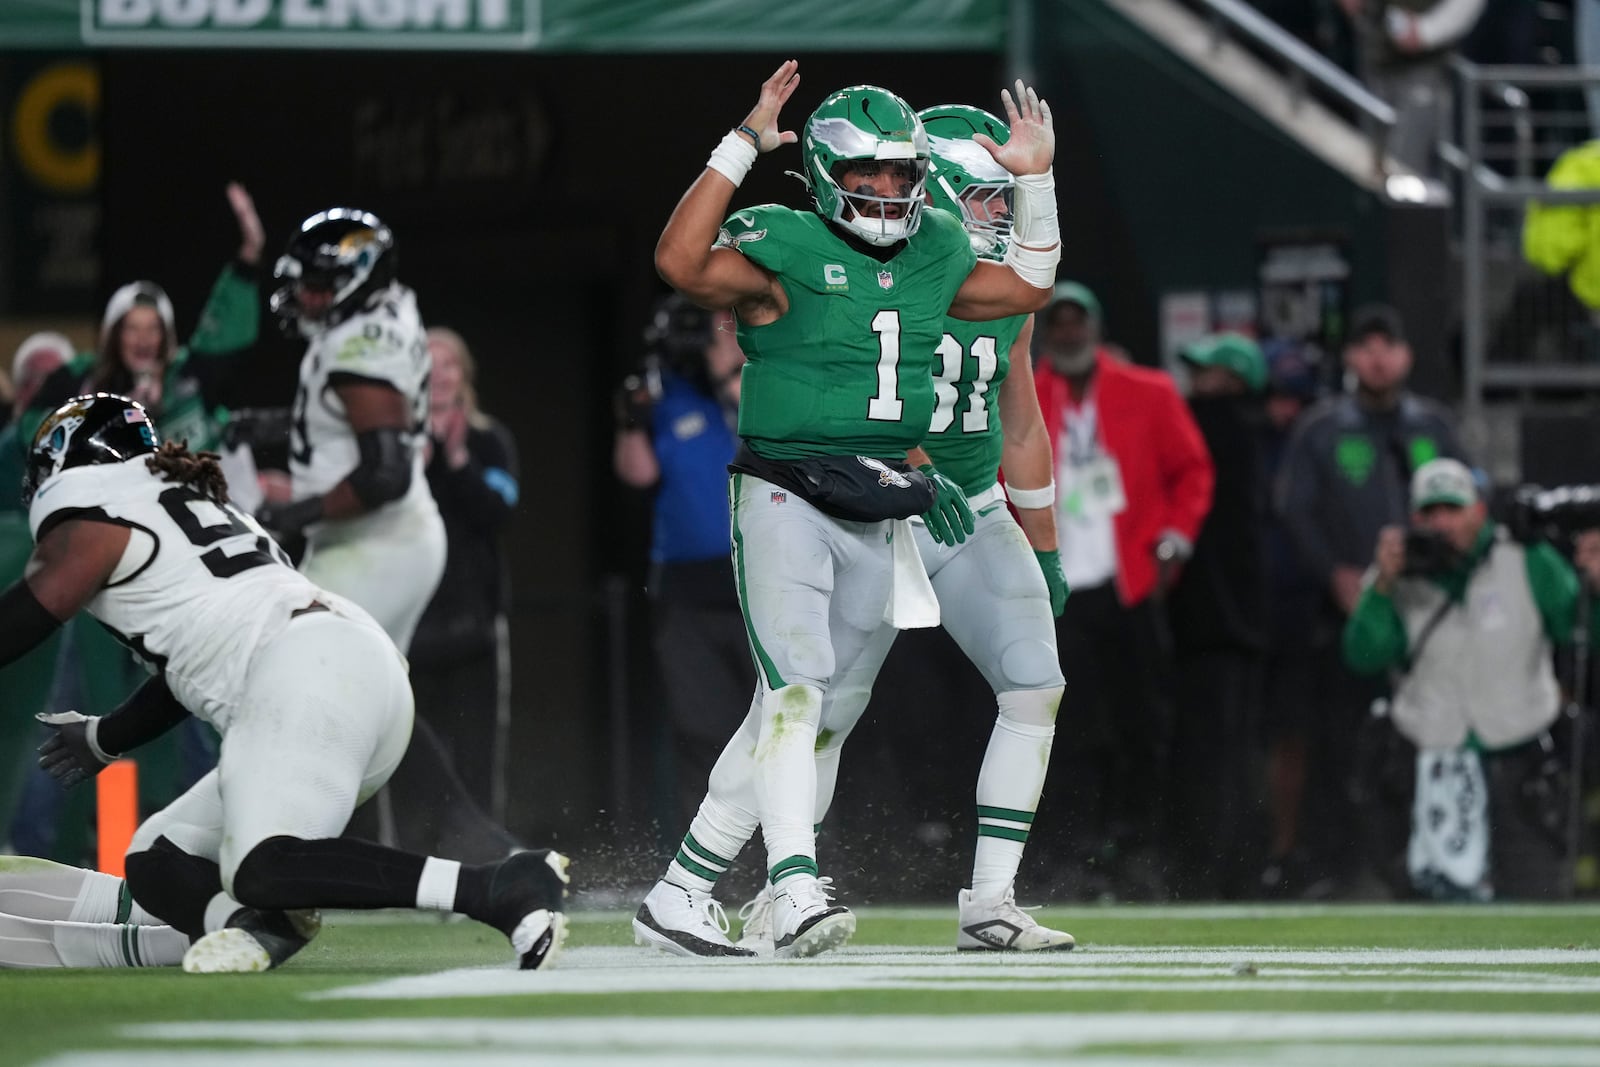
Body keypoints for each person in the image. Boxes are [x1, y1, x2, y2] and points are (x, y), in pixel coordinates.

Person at [632, 62, 1062, 960]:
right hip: (802, 484)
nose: (884, 191)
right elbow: (680, 262)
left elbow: (1025, 295)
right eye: (867, 174)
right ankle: (786, 887)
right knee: (800, 696)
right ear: (830, 176)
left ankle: (686, 886)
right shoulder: (788, 238)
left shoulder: (938, 252)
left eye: (898, 174)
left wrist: (1035, 182)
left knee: (823, 701)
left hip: (898, 500)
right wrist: (743, 140)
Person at [0, 394, 569, 972]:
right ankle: (254, 928)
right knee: (156, 857)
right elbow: (193, 665)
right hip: (352, 666)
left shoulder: (95, 511)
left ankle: (492, 886)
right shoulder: (183, 503)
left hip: (303, 671)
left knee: (260, 865)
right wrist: (104, 737)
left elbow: (29, 614)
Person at [232, 210, 519, 863]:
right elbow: (342, 419)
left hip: (375, 540)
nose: (304, 295)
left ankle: (306, 845)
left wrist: (294, 511)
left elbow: (384, 472)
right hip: (380, 538)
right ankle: (465, 840)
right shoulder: (377, 320)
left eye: (318, 281)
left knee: (306, 680)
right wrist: (271, 429)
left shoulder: (359, 343)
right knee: (369, 696)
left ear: (357, 280)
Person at [10, 184, 266, 859]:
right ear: (116, 335)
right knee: (78, 710)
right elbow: (33, 425)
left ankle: (219, 838)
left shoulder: (189, 381)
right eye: (134, 329)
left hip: (176, 580)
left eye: (154, 331)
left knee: (191, 703)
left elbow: (224, 333)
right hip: (114, 573)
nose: (145, 341)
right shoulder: (82, 388)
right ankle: (40, 846)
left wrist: (246, 260)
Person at [1275, 302, 1469, 895]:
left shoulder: (1431, 428)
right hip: (1347, 614)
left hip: (1430, 615)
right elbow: (1294, 508)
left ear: (1406, 356)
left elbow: (1468, 503)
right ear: (1352, 358)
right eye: (1367, 346)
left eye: (1389, 345)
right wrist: (1334, 573)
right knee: (1341, 742)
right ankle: (1340, 867)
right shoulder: (1323, 429)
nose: (1378, 357)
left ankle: (1431, 858)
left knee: (1431, 734)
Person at [1343, 458, 1600, 899]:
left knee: (1532, 905)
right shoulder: (1401, 573)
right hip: (1428, 768)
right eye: (1429, 512)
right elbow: (1364, 656)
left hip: (1518, 766)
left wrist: (1596, 588)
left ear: (1478, 511)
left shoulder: (1528, 558)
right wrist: (1382, 587)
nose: (1441, 522)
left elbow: (1581, 634)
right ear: (1413, 518)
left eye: (1452, 509)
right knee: (1426, 918)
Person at [1031, 282, 1214, 901]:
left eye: (1077, 324)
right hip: (1057, 589)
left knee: (1142, 727)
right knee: (1068, 732)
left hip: (1128, 584)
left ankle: (1137, 851)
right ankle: (1076, 854)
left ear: (1098, 328)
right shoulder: (1025, 395)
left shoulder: (1148, 392)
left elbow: (1192, 470)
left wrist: (1176, 537)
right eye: (1057, 325)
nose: (1068, 334)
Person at [614, 295, 755, 827]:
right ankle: (713, 855)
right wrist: (630, 421)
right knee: (702, 725)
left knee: (778, 720)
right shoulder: (665, 393)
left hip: (754, 580)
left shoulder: (751, 381)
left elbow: (758, 429)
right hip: (685, 587)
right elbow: (638, 475)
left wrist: (725, 370)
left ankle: (795, 853)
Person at [1167, 333, 1272, 899]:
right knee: (1232, 750)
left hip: (1214, 624)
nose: (1197, 384)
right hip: (1236, 622)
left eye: (1209, 374)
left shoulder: (1218, 426)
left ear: (1234, 381)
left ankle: (1211, 869)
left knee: (1212, 754)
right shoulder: (1253, 434)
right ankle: (1235, 867)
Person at [409, 327, 521, 822]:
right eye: (428, 365)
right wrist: (414, 465)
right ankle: (412, 863)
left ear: (464, 374)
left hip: (474, 626)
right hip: (409, 625)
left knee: (477, 754)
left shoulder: (488, 440)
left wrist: (456, 462)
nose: (439, 375)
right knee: (410, 755)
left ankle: (479, 868)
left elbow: (500, 511)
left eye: (449, 364)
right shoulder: (396, 444)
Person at [1336, 0, 1486, 176]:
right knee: (1367, 154)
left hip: (1426, 66)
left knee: (1404, 164)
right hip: (1377, 54)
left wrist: (1427, 31)